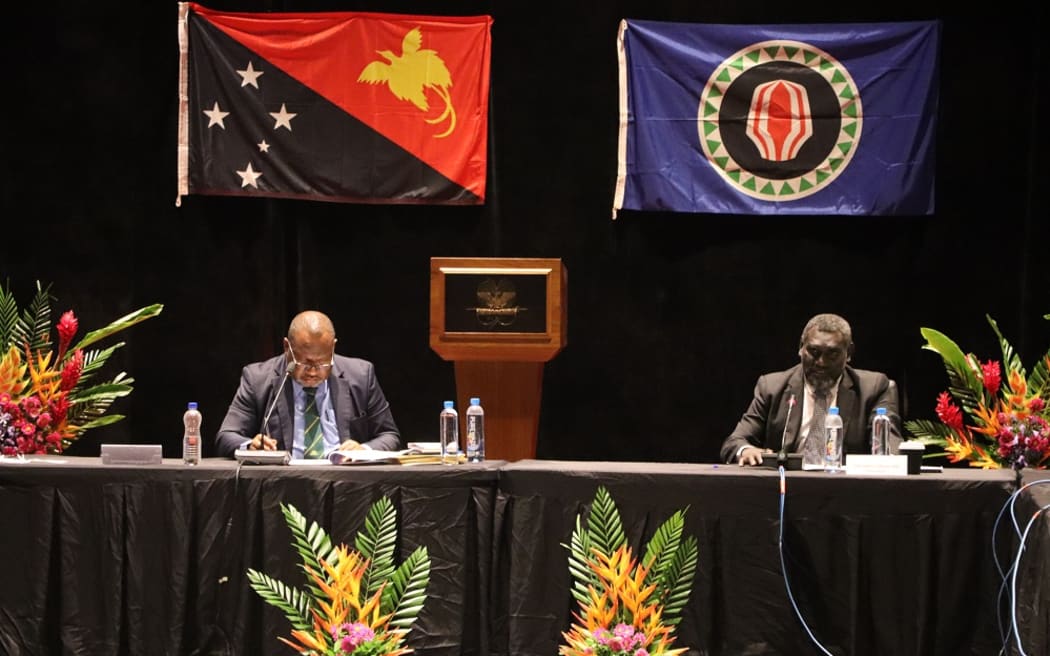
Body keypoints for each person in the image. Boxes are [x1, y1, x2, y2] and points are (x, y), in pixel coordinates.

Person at [720, 313, 901, 466]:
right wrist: (746, 450)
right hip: (786, 487)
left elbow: (890, 445)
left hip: (848, 492)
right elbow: (735, 441)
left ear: (849, 353)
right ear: (801, 348)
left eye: (832, 354)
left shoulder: (874, 388)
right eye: (814, 352)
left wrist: (891, 461)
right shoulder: (772, 387)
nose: (821, 362)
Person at [215, 310, 401, 458]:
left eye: (322, 364)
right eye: (304, 363)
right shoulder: (257, 378)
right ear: (287, 347)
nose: (312, 372)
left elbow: (390, 436)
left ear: (333, 347)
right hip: (283, 482)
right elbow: (226, 436)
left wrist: (364, 451)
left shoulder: (360, 375)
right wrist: (250, 446)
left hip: (346, 482)